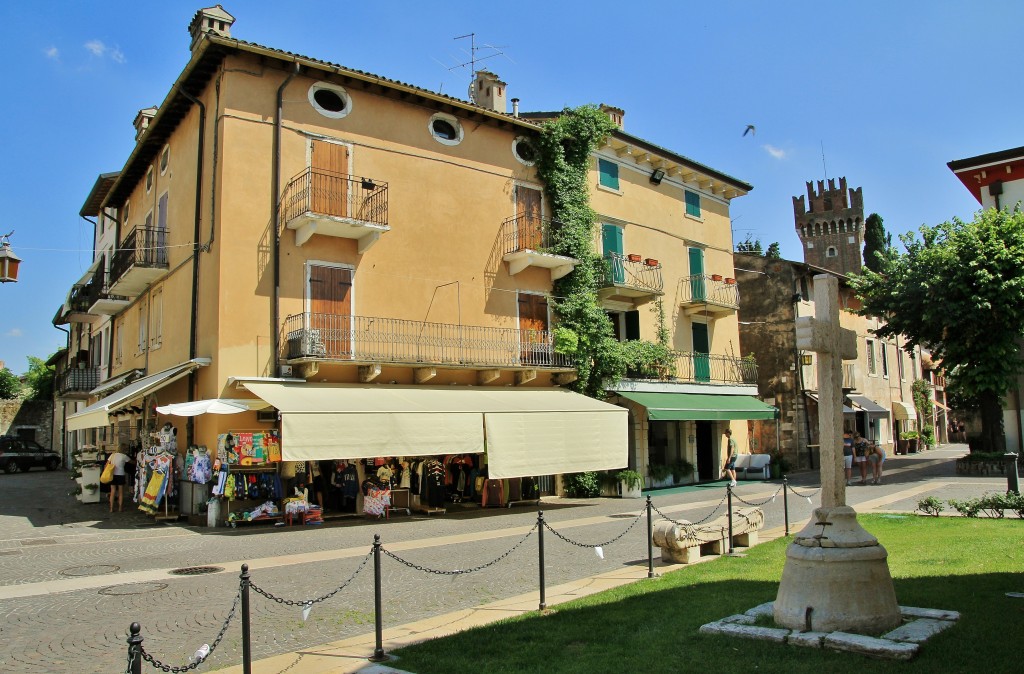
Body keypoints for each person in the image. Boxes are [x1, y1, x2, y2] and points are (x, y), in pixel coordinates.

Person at [107, 445, 130, 512]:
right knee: (120, 492)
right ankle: (120, 508)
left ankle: (111, 508)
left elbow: (107, 464)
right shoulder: (124, 456)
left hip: (113, 475)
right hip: (121, 475)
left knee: (112, 491)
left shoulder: (112, 455)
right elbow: (132, 462)